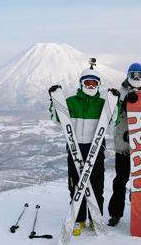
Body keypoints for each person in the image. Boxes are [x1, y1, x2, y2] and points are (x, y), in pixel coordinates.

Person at [49, 62, 120, 236]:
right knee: (76, 185)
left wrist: (114, 104)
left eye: (94, 83)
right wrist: (54, 100)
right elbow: (56, 118)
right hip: (75, 148)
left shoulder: (103, 104)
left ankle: (96, 219)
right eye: (87, 82)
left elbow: (114, 121)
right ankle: (79, 219)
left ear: (98, 85)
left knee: (97, 185)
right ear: (81, 83)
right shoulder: (71, 102)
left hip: (95, 148)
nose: (90, 86)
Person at [107, 63, 141, 227]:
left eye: (139, 75)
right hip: (124, 146)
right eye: (133, 75)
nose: (136, 78)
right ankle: (115, 214)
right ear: (128, 76)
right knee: (121, 180)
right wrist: (123, 105)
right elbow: (111, 118)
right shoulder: (119, 93)